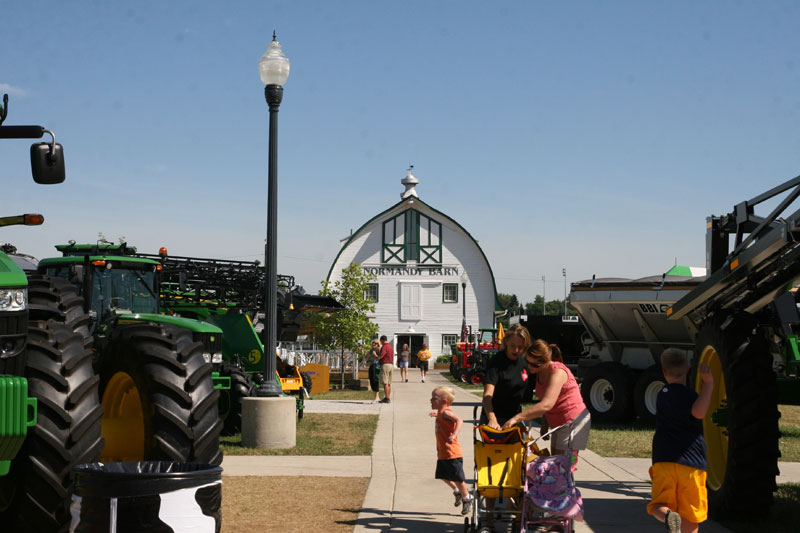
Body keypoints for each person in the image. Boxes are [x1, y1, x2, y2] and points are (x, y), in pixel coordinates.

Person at [646, 348, 713, 533]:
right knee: (691, 515)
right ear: (688, 369)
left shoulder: (662, 394)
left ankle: (668, 515)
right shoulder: (688, 394)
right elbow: (698, 413)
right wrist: (708, 385)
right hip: (691, 463)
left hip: (664, 460)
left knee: (660, 504)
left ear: (664, 372)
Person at [502, 340, 591, 461]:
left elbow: (546, 404)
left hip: (573, 421)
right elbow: (546, 400)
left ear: (545, 361)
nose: (529, 366)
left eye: (535, 365)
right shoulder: (540, 372)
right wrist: (545, 424)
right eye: (528, 362)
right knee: (555, 462)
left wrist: (517, 418)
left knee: (562, 465)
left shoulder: (558, 372)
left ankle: (568, 480)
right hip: (558, 422)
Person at [429, 386, 473, 516]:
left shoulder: (447, 412)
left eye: (433, 398)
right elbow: (443, 417)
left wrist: (453, 435)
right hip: (443, 452)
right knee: (443, 476)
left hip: (452, 453)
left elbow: (459, 420)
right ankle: (457, 491)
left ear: (444, 401)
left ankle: (467, 498)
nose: (430, 401)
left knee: (458, 479)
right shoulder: (442, 413)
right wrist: (437, 414)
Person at [481, 323, 533, 429]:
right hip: (495, 417)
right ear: (506, 342)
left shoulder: (525, 363)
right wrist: (492, 419)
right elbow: (487, 395)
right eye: (513, 346)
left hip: (514, 418)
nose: (516, 350)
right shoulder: (496, 362)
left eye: (520, 347)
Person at [379, 335, 394, 404]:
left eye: (380, 341)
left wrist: (376, 357)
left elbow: (381, 355)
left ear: (382, 340)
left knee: (385, 382)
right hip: (391, 364)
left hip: (385, 364)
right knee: (389, 382)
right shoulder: (391, 347)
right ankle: (388, 397)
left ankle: (386, 398)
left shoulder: (384, 347)